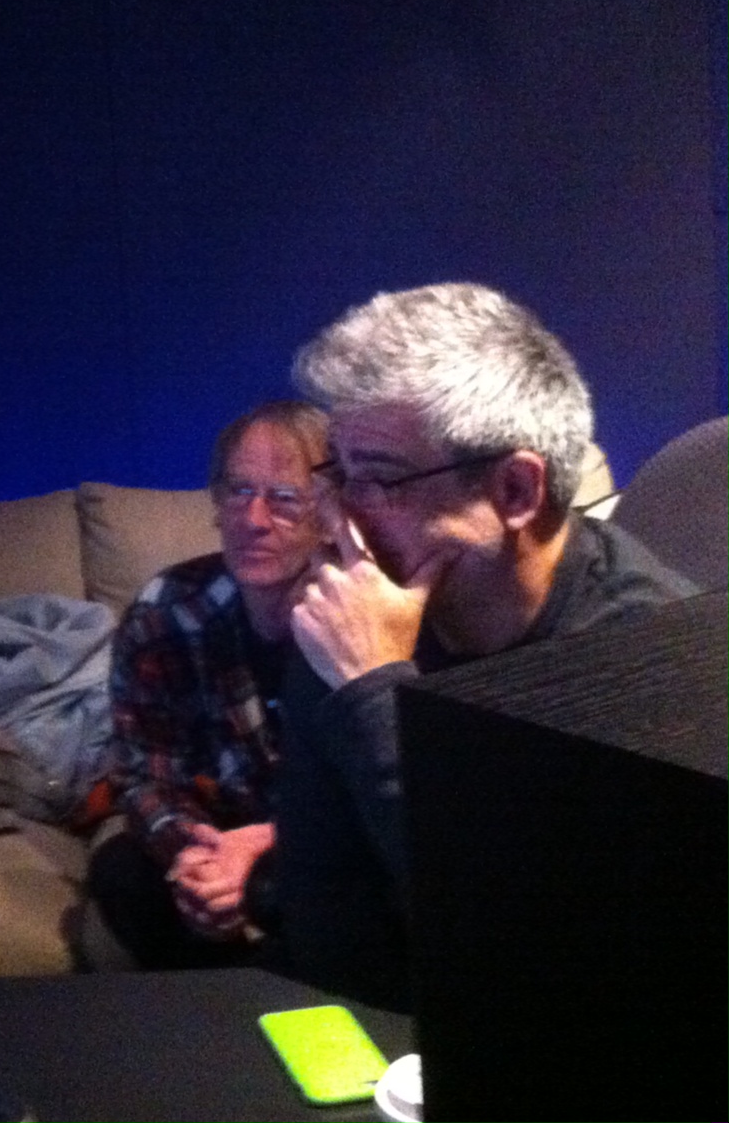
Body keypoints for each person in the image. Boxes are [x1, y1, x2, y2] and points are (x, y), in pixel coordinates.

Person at [281, 281, 695, 1009]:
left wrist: (376, 691)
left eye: (379, 479)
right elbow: (325, 909)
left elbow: (552, 948)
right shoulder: (354, 610)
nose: (343, 517)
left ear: (515, 491)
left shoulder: (651, 660)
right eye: (339, 473)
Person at [88, 401, 328, 968]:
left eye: (284, 498)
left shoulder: (363, 615)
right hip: (220, 830)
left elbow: (386, 799)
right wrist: (196, 856)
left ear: (329, 509)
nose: (254, 519)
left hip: (321, 843)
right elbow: (144, 773)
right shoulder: (167, 609)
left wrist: (270, 844)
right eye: (238, 492)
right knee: (120, 870)